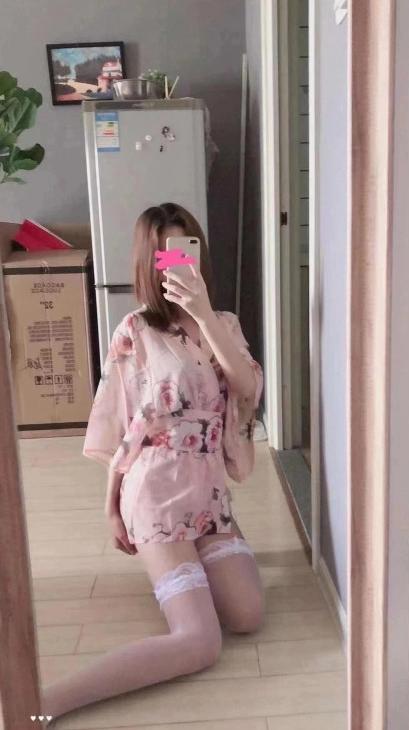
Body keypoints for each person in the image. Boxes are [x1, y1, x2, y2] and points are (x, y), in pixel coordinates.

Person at [42, 202, 264, 722]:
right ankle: (43, 703)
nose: (176, 262)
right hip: (155, 491)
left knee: (249, 615)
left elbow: (247, 389)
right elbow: (120, 422)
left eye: (184, 249)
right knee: (199, 641)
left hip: (209, 493)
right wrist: (111, 507)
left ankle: (188, 567)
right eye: (164, 254)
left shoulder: (224, 323)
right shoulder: (135, 329)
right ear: (149, 261)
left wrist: (204, 314)